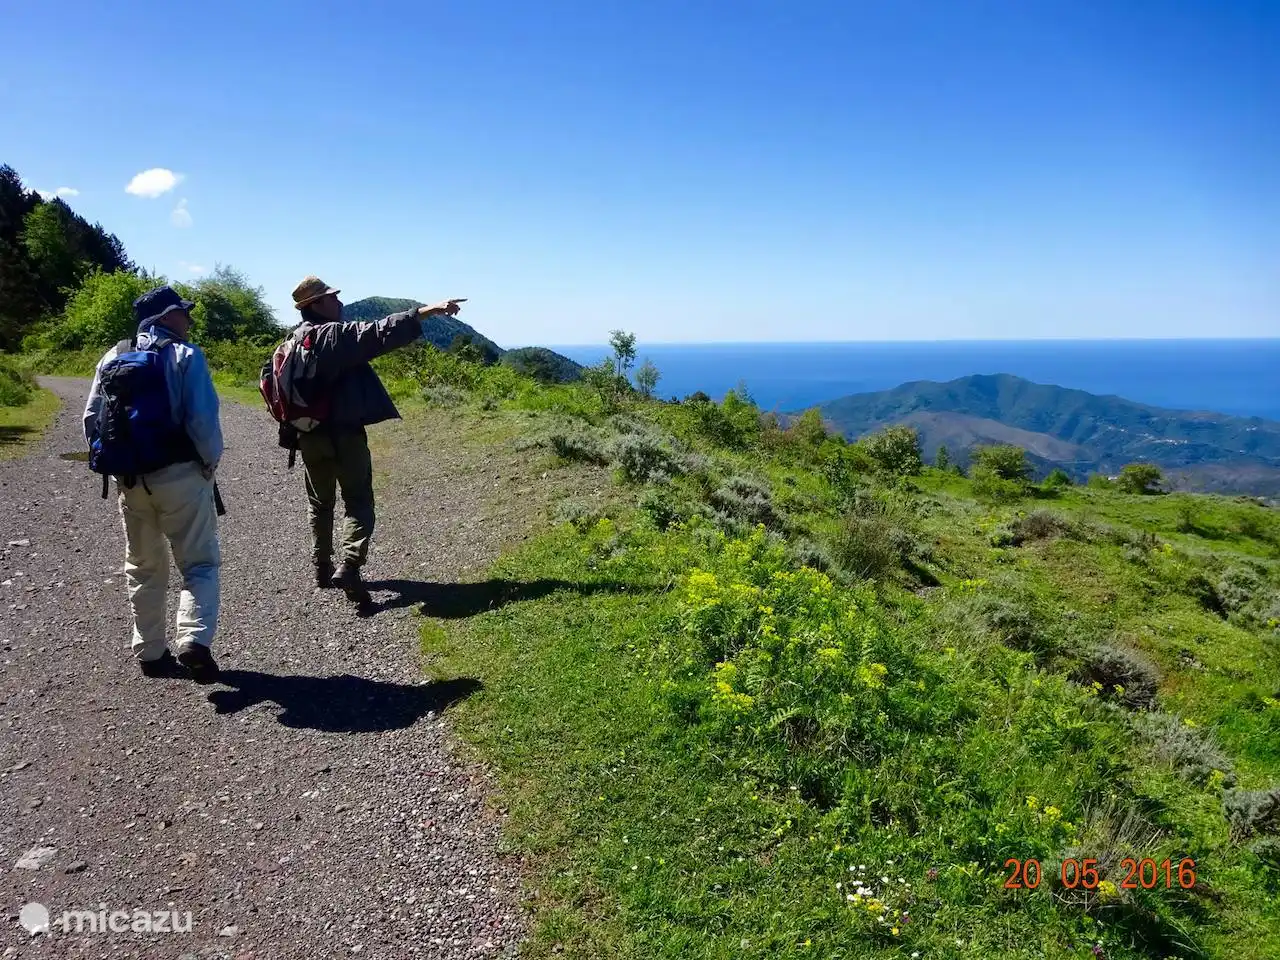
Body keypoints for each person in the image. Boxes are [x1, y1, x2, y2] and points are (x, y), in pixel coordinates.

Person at [287, 276, 464, 604]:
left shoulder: (291, 341)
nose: (339, 302)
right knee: (358, 500)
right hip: (344, 434)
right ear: (315, 306)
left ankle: (322, 569)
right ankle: (350, 566)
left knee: (320, 503)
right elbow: (379, 332)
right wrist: (427, 311)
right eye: (332, 298)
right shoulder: (334, 336)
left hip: (308, 436)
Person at [83, 286, 224, 682]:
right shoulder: (185, 356)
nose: (188, 319)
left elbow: (91, 420)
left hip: (130, 480)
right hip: (180, 475)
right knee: (199, 562)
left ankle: (150, 652)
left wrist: (117, 465)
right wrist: (209, 464)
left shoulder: (115, 355)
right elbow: (202, 422)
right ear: (165, 317)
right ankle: (193, 640)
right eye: (182, 312)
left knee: (143, 566)